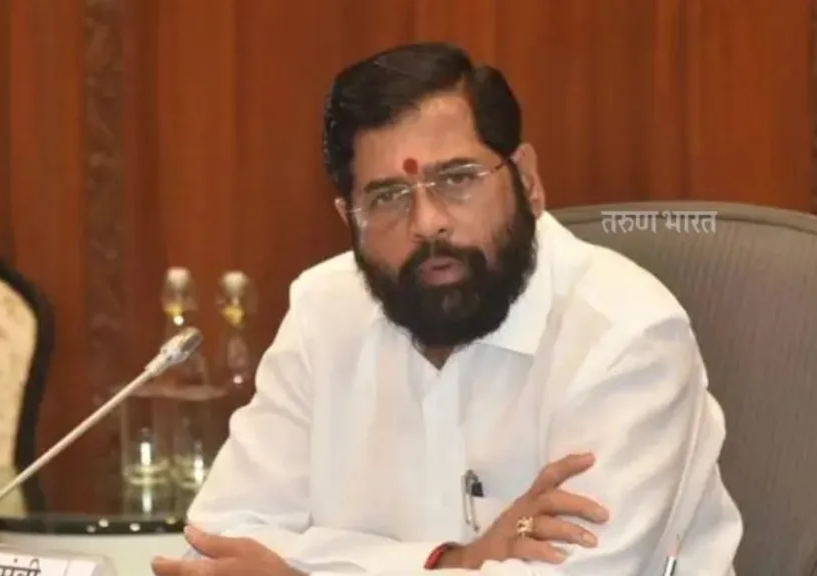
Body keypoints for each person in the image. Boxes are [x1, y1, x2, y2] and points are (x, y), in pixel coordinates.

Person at [151, 42, 742, 576]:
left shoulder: (626, 336)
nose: (427, 222)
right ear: (347, 221)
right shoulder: (324, 312)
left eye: (457, 178)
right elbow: (209, 549)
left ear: (528, 181)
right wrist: (457, 559)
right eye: (387, 197)